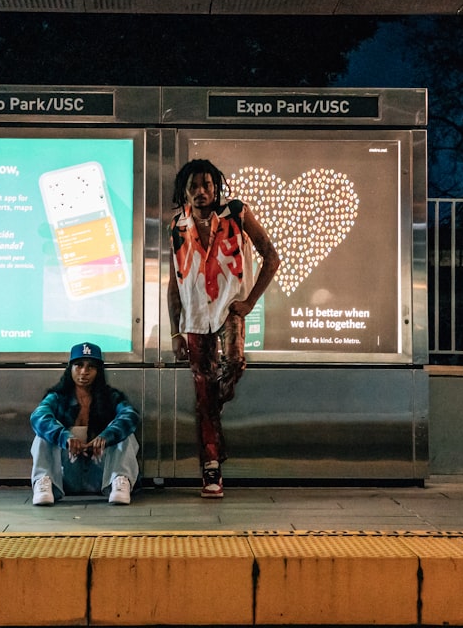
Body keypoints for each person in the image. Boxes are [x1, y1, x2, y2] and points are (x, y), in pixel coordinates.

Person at [167, 158, 279, 498]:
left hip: (230, 309)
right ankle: (211, 467)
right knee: (203, 391)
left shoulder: (237, 214)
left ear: (216, 187)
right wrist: (175, 331)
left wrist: (250, 303)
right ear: (184, 192)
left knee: (232, 367)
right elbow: (175, 282)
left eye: (207, 185)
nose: (201, 192)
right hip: (196, 318)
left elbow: (271, 256)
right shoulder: (178, 226)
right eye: (194, 187)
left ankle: (213, 414)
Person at [29, 341, 140, 506]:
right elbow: (38, 416)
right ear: (70, 369)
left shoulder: (110, 397)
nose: (84, 372)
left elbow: (130, 416)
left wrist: (107, 436)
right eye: (78, 365)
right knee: (42, 434)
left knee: (126, 434)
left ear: (98, 371)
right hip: (65, 477)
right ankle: (44, 483)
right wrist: (64, 437)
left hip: (101, 475)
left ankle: (120, 481)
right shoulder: (58, 397)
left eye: (91, 367)